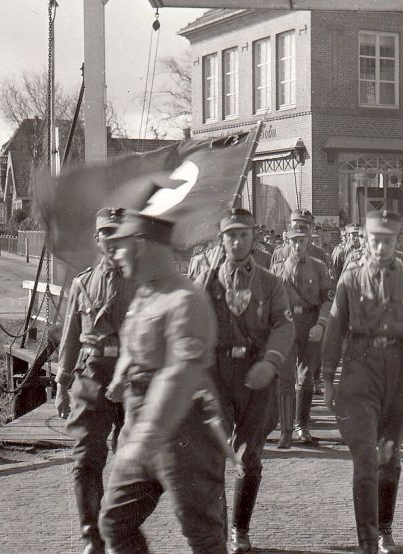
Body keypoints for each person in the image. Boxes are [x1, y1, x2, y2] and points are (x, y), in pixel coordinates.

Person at [98, 211, 226, 553]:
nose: (116, 254)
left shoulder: (185, 300)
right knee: (114, 521)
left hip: (184, 429)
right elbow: (137, 340)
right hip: (141, 424)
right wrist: (122, 374)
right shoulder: (146, 294)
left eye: (122, 246)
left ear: (141, 246)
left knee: (202, 534)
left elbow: (179, 375)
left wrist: (146, 437)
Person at [321, 210, 403, 554]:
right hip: (360, 371)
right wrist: (328, 379)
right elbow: (334, 332)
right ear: (366, 240)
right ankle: (367, 542)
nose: (381, 246)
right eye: (375, 239)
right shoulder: (350, 281)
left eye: (388, 240)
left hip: (400, 373)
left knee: (389, 455)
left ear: (397, 241)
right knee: (365, 457)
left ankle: (385, 529)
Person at [189, 208, 296, 552]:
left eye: (243, 235)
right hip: (216, 374)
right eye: (230, 235)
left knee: (248, 457)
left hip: (256, 373)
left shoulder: (269, 282)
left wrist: (271, 360)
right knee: (212, 452)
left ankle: (240, 529)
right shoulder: (206, 279)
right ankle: (216, 529)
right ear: (221, 240)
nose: (237, 241)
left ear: (253, 238)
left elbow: (283, 324)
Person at [55, 208, 137, 554]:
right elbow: (71, 337)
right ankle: (92, 535)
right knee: (85, 457)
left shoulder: (143, 281)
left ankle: (123, 530)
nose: (112, 241)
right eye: (106, 234)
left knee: (136, 462)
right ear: (97, 239)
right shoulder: (83, 283)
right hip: (92, 374)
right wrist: (61, 384)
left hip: (133, 376)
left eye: (119, 235)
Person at [271, 225, 334, 445]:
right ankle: (286, 430)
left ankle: (302, 425)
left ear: (309, 242)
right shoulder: (278, 268)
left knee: (306, 378)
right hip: (287, 325)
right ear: (287, 242)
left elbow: (328, 298)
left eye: (302, 241)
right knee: (286, 377)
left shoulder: (318, 267)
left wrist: (321, 324)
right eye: (294, 241)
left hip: (310, 324)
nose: (298, 245)